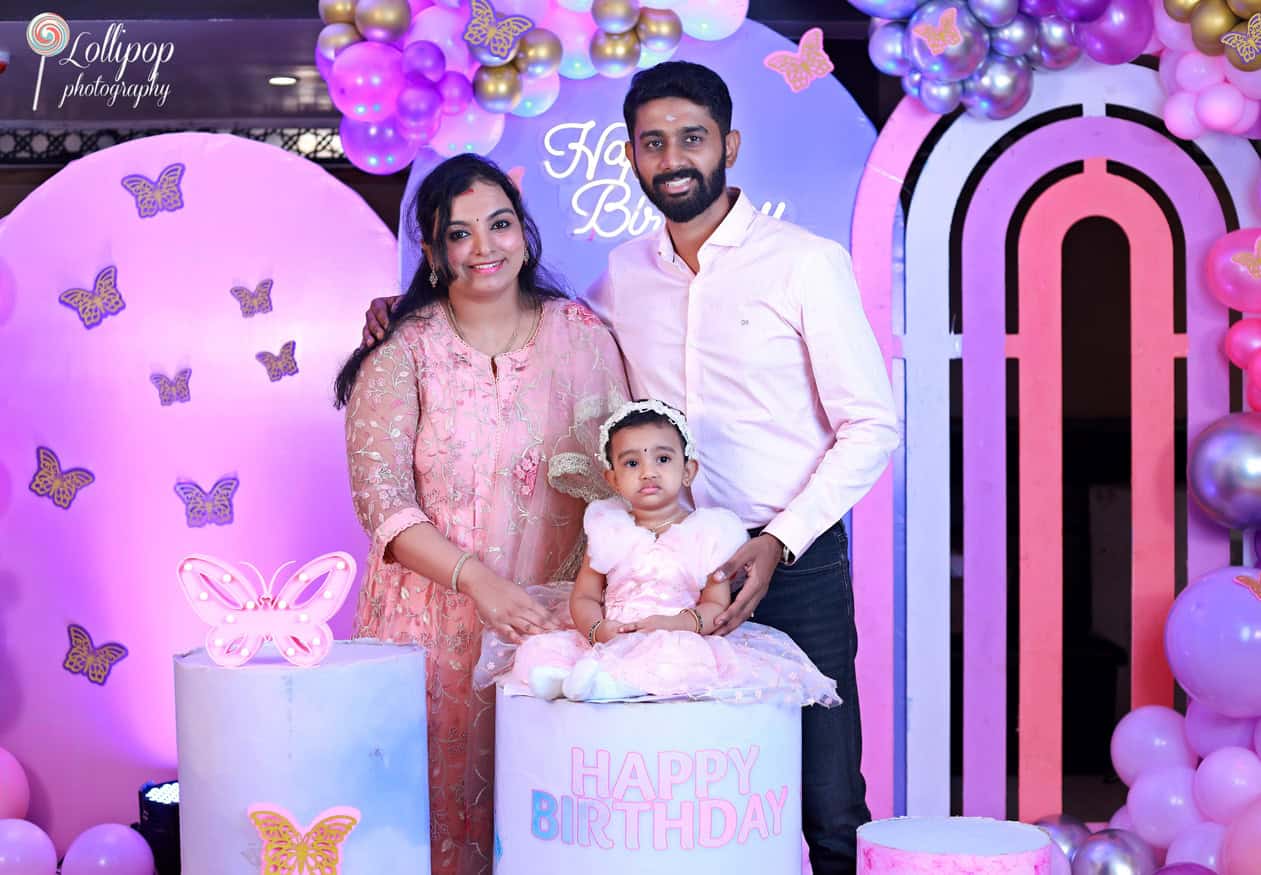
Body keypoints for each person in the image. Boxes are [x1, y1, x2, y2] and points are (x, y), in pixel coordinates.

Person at [361, 62, 898, 875]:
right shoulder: (624, 275)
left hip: (780, 556)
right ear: (631, 155)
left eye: (691, 137)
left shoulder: (803, 262)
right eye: (653, 142)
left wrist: (777, 541)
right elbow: (530, 323)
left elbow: (871, 424)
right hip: (652, 571)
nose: (672, 157)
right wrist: (404, 316)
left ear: (729, 145)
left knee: (824, 794)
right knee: (669, 788)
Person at [336, 153, 629, 875]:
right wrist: (480, 583)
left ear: (524, 236)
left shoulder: (583, 335)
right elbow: (382, 504)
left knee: (550, 823)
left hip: (554, 636)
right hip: (423, 640)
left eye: (498, 224)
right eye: (459, 234)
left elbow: (621, 482)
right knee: (424, 824)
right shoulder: (402, 353)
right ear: (434, 255)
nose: (483, 247)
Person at [481, 399, 840, 706]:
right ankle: (572, 679)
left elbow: (716, 605)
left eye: (663, 459)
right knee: (538, 650)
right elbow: (585, 595)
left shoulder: (708, 532)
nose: (648, 472)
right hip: (615, 634)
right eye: (632, 463)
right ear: (613, 479)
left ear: (688, 471)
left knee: (674, 659)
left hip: (674, 634)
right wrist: (597, 631)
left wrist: (675, 625)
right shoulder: (608, 529)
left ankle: (613, 685)